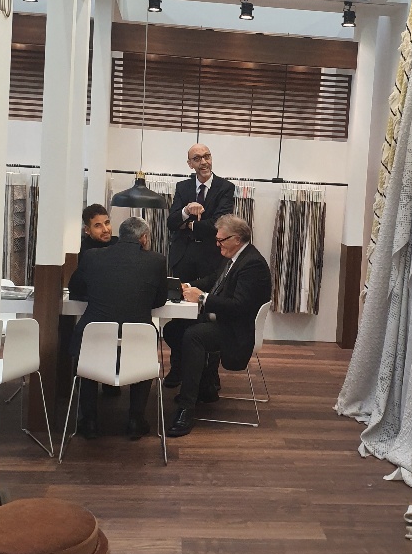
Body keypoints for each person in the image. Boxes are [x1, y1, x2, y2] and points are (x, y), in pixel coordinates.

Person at [165, 215, 271, 438]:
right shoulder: (234, 257)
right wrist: (187, 286)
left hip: (238, 330)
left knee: (194, 336)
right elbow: (213, 279)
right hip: (224, 321)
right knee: (173, 329)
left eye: (221, 240)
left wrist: (202, 298)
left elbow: (238, 306)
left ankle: (187, 407)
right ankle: (204, 385)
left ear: (237, 239)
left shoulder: (252, 264)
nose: (217, 244)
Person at [69, 216, 167, 441]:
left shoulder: (92, 256)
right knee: (142, 349)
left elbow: (75, 288)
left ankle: (89, 421)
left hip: (95, 335)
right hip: (137, 337)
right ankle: (135, 420)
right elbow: (160, 299)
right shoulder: (157, 261)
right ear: (144, 238)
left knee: (86, 352)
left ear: (120, 235)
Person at [164, 144, 235, 387]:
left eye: (206, 156)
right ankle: (177, 369)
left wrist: (189, 225)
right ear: (190, 164)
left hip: (211, 260)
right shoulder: (182, 187)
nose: (203, 162)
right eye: (197, 158)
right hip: (183, 258)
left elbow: (219, 225)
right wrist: (186, 211)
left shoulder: (225, 187)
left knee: (208, 315)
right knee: (180, 314)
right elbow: (171, 223)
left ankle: (208, 375)